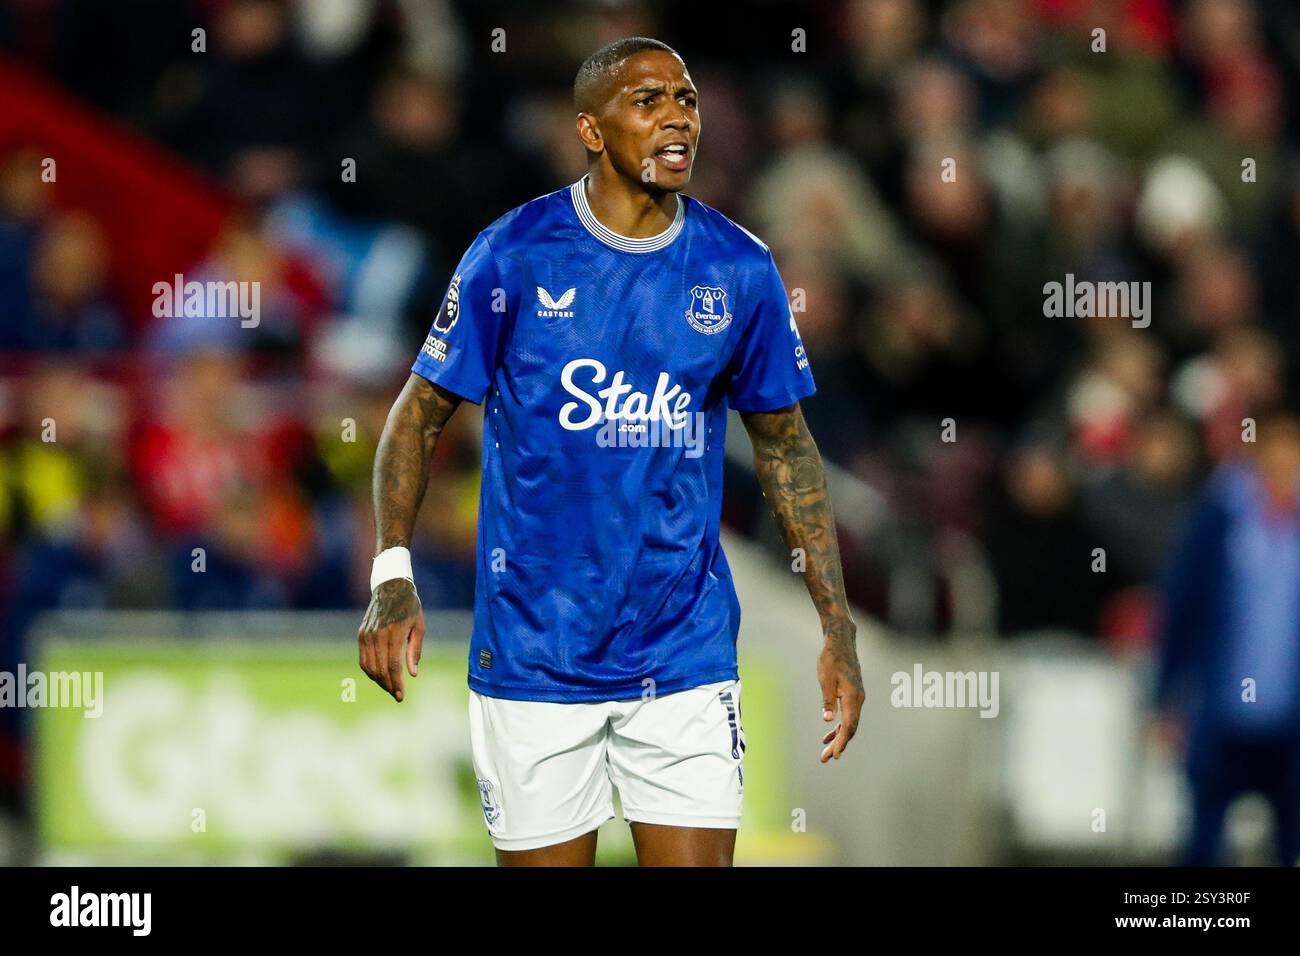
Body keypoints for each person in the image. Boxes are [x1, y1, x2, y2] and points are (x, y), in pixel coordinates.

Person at [357, 37, 863, 867]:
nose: (677, 119)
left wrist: (836, 625)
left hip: (684, 655)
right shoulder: (512, 256)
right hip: (533, 656)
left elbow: (787, 449)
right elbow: (416, 417)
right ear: (591, 131)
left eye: (687, 100)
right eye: (649, 101)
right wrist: (392, 575)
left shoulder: (740, 269)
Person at [1154, 409, 1300, 865]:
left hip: (1291, 724)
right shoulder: (1220, 522)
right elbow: (1182, 610)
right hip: (1220, 716)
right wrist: (1165, 696)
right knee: (1202, 840)